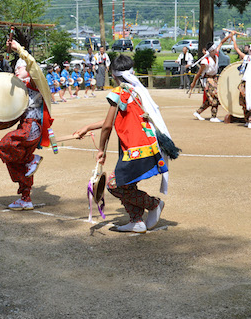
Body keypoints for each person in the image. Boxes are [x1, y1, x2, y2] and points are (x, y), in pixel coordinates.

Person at [72, 54, 177, 232]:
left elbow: (107, 127)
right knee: (127, 184)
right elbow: (112, 121)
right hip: (145, 145)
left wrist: (101, 150)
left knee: (114, 184)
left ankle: (153, 204)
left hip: (136, 148)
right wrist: (88, 127)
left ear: (113, 74)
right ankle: (136, 221)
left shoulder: (119, 93)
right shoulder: (136, 90)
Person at [0, 32, 53, 210]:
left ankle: (32, 158)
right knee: (17, 161)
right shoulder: (22, 87)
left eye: (19, 68)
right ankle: (25, 198)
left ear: (27, 69)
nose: (15, 71)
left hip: (31, 127)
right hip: (27, 127)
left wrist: (19, 49)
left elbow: (33, 65)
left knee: (2, 147)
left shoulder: (35, 82)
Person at [190, 37, 224, 122]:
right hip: (207, 79)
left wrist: (229, 36)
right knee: (215, 97)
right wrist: (193, 83)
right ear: (211, 51)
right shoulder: (205, 61)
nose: (216, 49)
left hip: (214, 78)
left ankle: (198, 112)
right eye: (214, 49)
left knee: (210, 100)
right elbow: (199, 73)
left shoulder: (216, 56)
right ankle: (213, 117)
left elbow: (221, 43)